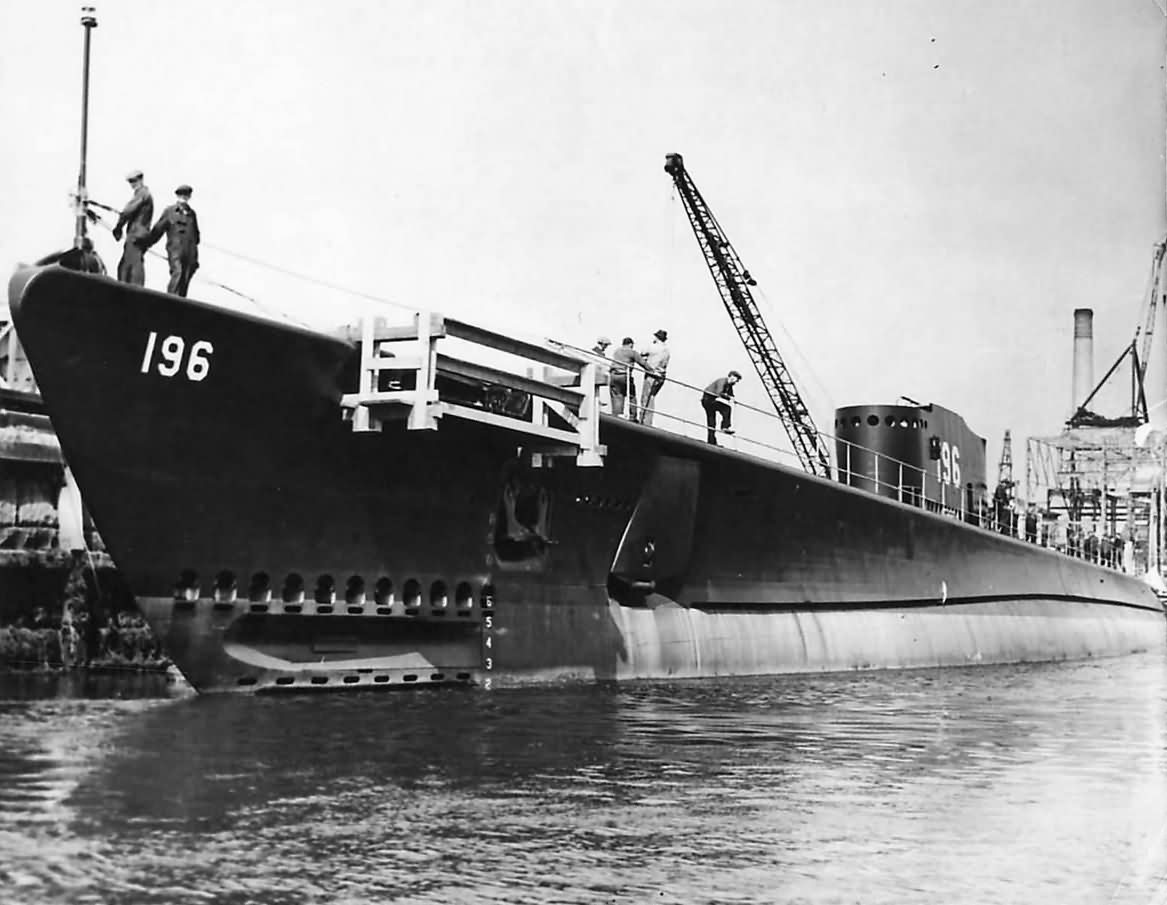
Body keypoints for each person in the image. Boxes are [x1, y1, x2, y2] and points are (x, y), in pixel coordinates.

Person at [142, 184, 201, 297]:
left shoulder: (192, 214)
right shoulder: (170, 212)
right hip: (176, 251)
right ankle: (171, 301)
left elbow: (197, 236)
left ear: (189, 197)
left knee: (185, 280)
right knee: (177, 273)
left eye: (186, 195)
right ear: (177, 196)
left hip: (190, 253)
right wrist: (146, 244)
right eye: (181, 195)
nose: (184, 197)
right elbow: (157, 230)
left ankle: (180, 306)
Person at [112, 169, 153, 286]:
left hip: (136, 235)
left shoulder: (142, 193)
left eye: (134, 181)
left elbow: (127, 211)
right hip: (141, 234)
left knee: (128, 266)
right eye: (130, 182)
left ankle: (132, 292)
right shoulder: (145, 194)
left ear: (140, 180)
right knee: (130, 263)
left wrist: (118, 227)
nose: (132, 184)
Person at [609, 337, 648, 419]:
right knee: (631, 395)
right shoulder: (632, 352)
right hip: (624, 375)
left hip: (613, 375)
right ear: (631, 344)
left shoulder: (617, 351)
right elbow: (642, 363)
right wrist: (652, 371)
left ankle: (616, 416)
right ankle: (632, 416)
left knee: (617, 395)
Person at [638, 328, 671, 425]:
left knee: (645, 398)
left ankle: (643, 421)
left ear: (657, 338)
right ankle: (648, 421)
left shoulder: (652, 347)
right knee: (651, 397)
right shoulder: (666, 350)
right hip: (661, 376)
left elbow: (641, 354)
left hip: (651, 375)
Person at [701, 370, 742, 444]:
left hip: (710, 400)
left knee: (712, 422)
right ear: (732, 377)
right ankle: (725, 427)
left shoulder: (729, 385)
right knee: (726, 408)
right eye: (737, 379)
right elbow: (719, 393)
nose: (736, 382)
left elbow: (731, 394)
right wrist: (729, 398)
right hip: (708, 399)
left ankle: (711, 441)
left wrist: (732, 398)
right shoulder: (722, 381)